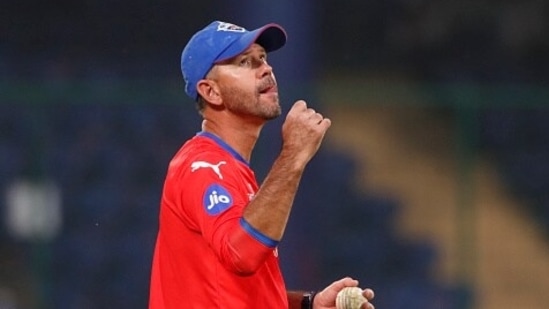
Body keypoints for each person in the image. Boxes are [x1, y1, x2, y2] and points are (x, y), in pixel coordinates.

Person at [148, 20, 375, 309]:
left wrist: (310, 303)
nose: (266, 69)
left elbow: (238, 287)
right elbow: (241, 253)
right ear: (211, 92)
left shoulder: (230, 167)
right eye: (245, 62)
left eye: (263, 58)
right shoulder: (202, 166)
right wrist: (293, 155)